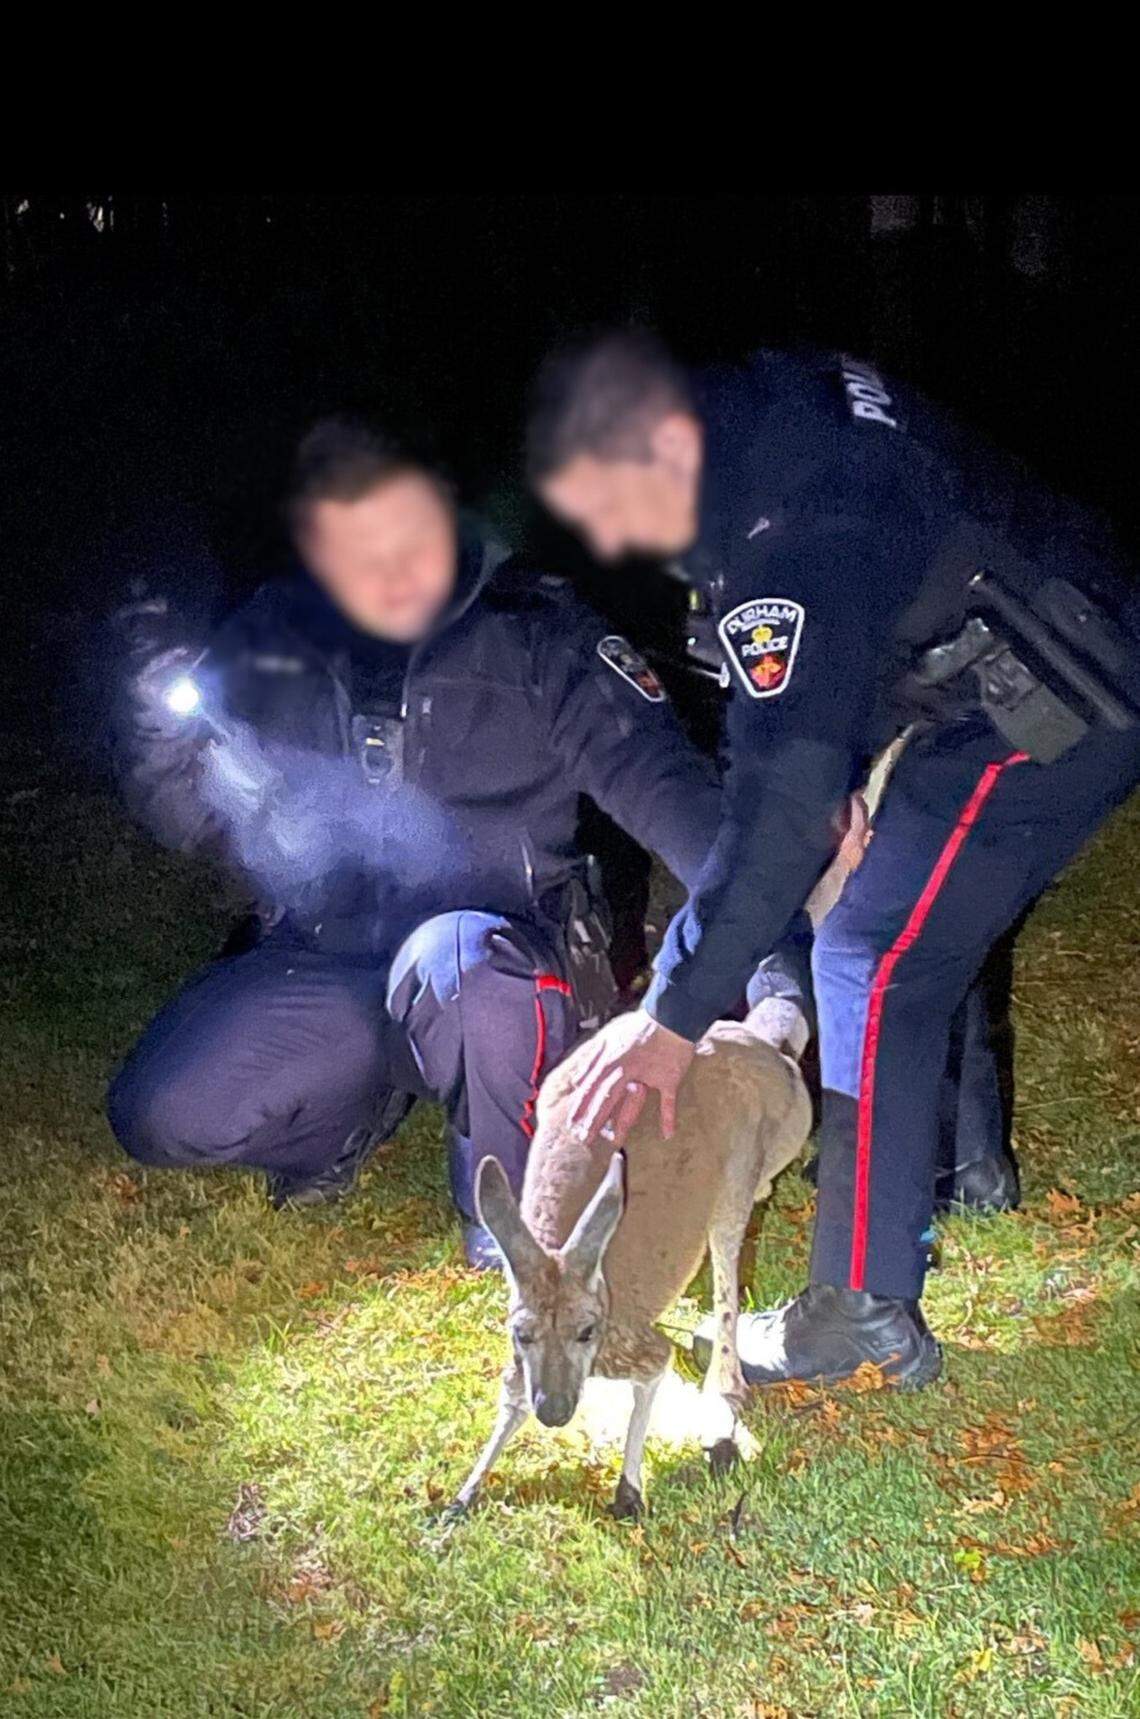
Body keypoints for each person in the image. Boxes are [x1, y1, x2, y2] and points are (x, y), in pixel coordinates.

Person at [527, 332, 1140, 1382]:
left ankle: (857, 1306)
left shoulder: (789, 532)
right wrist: (836, 763)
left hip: (1058, 696)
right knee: (894, 933)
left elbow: (776, 809)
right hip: (1012, 650)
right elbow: (881, 593)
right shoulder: (769, 400)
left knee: (874, 951)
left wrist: (672, 1016)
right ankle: (963, 1172)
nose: (615, 533)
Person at [107, 418, 721, 1267]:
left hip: (504, 960)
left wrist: (750, 960)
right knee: (161, 1112)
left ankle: (508, 1221)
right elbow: (189, 818)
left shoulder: (538, 631)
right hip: (337, 957)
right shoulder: (275, 635)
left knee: (458, 962)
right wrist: (155, 731)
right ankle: (339, 1125)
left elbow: (672, 794)